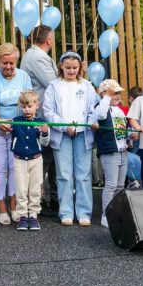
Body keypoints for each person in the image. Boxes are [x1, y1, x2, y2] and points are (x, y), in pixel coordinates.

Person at [42, 50, 98, 227]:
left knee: (83, 174)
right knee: (64, 174)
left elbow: (93, 109)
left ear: (80, 67)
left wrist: (91, 122)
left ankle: (84, 212)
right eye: (68, 68)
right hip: (63, 135)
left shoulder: (87, 86)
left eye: (74, 68)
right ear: (61, 67)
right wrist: (64, 126)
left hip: (83, 134)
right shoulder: (54, 86)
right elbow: (48, 111)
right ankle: (66, 211)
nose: (71, 71)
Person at [0, 42, 32, 225]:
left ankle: (13, 202)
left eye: (12, 63)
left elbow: (28, 101)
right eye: (5, 63)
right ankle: (0, 203)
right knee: (0, 166)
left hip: (18, 128)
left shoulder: (24, 77)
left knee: (15, 166)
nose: (9, 67)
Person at [20, 25, 59, 216]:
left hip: (42, 114)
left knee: (46, 161)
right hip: (42, 114)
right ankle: (42, 201)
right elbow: (54, 84)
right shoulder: (38, 57)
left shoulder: (32, 54)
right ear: (49, 40)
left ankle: (48, 199)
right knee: (44, 161)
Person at [90, 79, 129, 229]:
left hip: (122, 150)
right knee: (111, 185)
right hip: (110, 152)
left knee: (120, 185)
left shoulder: (119, 110)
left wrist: (129, 138)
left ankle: (117, 213)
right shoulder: (101, 107)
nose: (118, 96)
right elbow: (100, 116)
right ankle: (105, 215)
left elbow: (121, 129)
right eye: (114, 93)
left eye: (118, 93)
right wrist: (106, 97)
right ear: (104, 94)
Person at [10, 90, 50, 231]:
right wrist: (6, 126)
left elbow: (44, 143)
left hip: (36, 160)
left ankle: (33, 215)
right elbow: (3, 131)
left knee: (35, 188)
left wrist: (45, 132)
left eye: (30, 106)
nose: (27, 109)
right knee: (21, 188)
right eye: (24, 106)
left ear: (37, 106)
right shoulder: (15, 121)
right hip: (19, 160)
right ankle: (22, 216)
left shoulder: (41, 123)